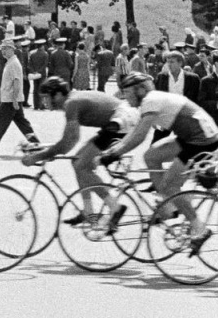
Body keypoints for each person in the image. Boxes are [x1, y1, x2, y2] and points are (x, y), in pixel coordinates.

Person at [99, 72, 218, 251]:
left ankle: (199, 227)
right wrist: (114, 150)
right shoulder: (150, 100)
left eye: (127, 92)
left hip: (202, 140)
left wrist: (114, 154)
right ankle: (169, 207)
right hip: (192, 135)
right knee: (151, 156)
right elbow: (135, 133)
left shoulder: (151, 100)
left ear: (140, 90)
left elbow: (140, 136)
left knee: (170, 186)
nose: (124, 97)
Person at [22, 77, 138, 225]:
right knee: (78, 161)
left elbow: (69, 141)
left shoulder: (71, 104)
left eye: (45, 98)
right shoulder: (72, 99)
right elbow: (67, 142)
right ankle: (88, 212)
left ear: (57, 95)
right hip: (121, 119)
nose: (43, 102)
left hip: (120, 123)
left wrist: (39, 156)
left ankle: (115, 207)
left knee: (81, 165)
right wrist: (50, 152)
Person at [0, 41, 39, 156]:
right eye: (2, 49)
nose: (3, 51)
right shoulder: (10, 62)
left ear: (12, 49)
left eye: (6, 49)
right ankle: (37, 145)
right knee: (23, 124)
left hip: (10, 100)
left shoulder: (14, 63)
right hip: (10, 99)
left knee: (0, 124)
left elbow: (17, 82)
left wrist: (15, 100)